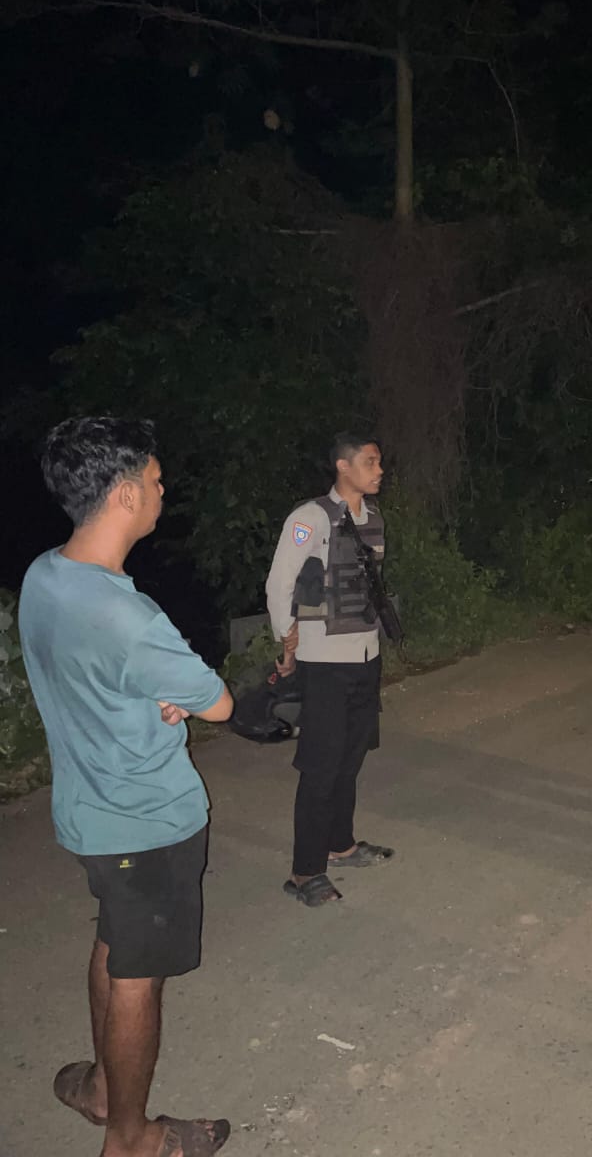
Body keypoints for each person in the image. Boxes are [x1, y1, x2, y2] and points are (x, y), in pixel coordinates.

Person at [18, 417, 235, 1157]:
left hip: (88, 814)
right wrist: (173, 693)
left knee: (115, 939)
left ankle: (102, 1089)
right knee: (139, 975)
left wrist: (149, 693)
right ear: (123, 494)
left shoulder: (45, 576)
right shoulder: (129, 616)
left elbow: (91, 677)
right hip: (148, 824)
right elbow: (219, 703)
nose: (162, 492)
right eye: (155, 480)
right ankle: (132, 1138)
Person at [265, 431, 394, 909]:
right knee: (321, 767)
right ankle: (304, 871)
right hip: (323, 663)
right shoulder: (309, 518)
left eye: (379, 462)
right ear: (343, 466)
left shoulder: (371, 517)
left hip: (365, 656)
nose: (379, 470)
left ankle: (341, 845)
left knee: (351, 757)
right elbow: (279, 583)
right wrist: (287, 640)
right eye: (370, 462)